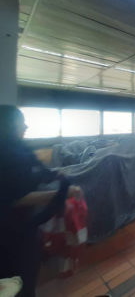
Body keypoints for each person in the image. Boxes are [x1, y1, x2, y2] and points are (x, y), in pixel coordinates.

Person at [0, 105, 77, 297]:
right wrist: (61, 194)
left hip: (23, 229)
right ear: (9, 126)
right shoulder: (8, 154)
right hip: (12, 235)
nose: (26, 126)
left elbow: (35, 173)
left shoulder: (18, 150)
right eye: (21, 122)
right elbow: (14, 199)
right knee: (18, 283)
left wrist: (55, 175)